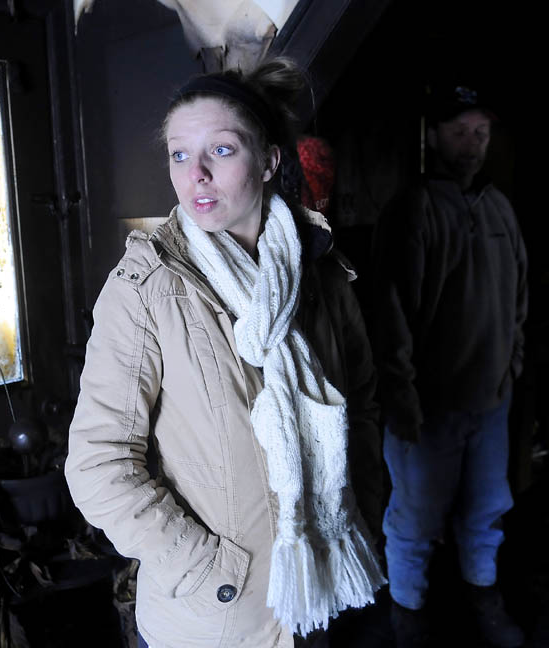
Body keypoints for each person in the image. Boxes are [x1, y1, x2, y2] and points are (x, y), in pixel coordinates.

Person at [64, 56, 386, 648]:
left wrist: (360, 508)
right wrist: (212, 573)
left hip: (329, 591)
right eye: (180, 154)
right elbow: (99, 464)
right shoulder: (148, 287)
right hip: (217, 619)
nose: (197, 175)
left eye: (223, 151)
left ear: (268, 161)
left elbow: (361, 403)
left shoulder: (319, 271)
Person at [371, 84, 528, 648]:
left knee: (486, 511)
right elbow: (390, 318)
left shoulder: (499, 208)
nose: (471, 144)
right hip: (427, 409)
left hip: (490, 403)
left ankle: (483, 599)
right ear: (433, 136)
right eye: (459, 132)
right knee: (414, 521)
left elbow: (518, 301)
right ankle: (408, 618)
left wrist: (510, 368)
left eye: (480, 132)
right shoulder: (412, 210)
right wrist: (403, 402)